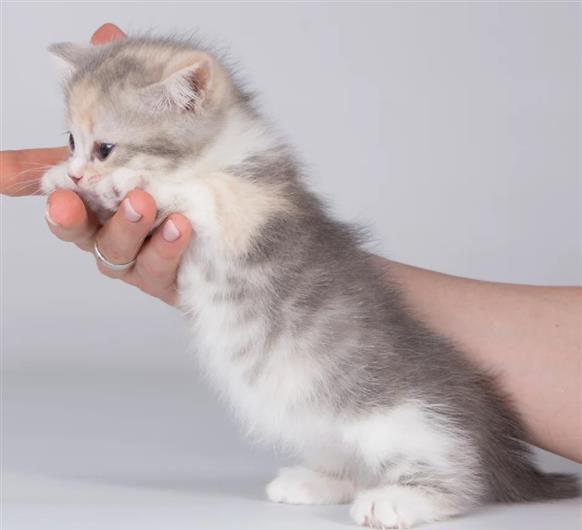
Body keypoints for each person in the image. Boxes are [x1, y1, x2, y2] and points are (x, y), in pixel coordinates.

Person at [2, 23, 580, 464]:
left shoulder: (248, 171)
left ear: (192, 98)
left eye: (100, 149)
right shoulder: (178, 165)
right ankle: (345, 466)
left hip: (342, 352)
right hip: (299, 327)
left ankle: (431, 473)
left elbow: (223, 220)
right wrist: (109, 168)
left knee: (350, 388)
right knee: (299, 408)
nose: (77, 167)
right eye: (72, 143)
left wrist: (130, 177)